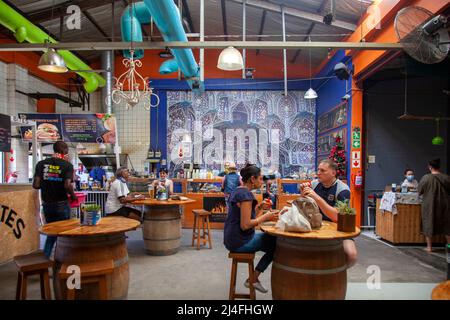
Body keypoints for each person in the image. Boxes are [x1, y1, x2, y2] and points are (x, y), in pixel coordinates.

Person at [223, 164, 280, 293]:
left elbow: (246, 217)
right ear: (252, 179)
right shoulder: (246, 195)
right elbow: (246, 225)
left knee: (272, 241)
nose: (262, 182)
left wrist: (260, 207)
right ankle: (253, 279)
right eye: (260, 179)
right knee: (277, 244)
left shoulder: (238, 190)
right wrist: (266, 217)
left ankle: (253, 279)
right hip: (239, 241)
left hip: (231, 238)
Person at [300, 159, 358, 268]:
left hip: (337, 228)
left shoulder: (343, 190)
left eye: (323, 170)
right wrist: (302, 191)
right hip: (315, 225)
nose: (318, 173)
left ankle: (336, 274)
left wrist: (317, 198)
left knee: (351, 255)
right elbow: (304, 203)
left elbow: (337, 217)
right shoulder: (314, 184)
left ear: (333, 173)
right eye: (318, 170)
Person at [32, 141, 77, 258]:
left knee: (52, 232)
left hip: (47, 204)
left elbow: (36, 185)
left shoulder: (41, 164)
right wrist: (73, 196)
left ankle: (46, 258)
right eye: (66, 149)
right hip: (61, 203)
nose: (67, 151)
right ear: (64, 150)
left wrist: (48, 182)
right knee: (64, 233)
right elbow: (67, 185)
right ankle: (64, 259)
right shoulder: (67, 165)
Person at [418, 159, 450, 252]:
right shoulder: (447, 177)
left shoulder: (426, 178)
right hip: (445, 204)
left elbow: (419, 191)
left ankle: (429, 247)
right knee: (447, 225)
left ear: (430, 167)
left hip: (429, 204)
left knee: (428, 222)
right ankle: (449, 246)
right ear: (439, 166)